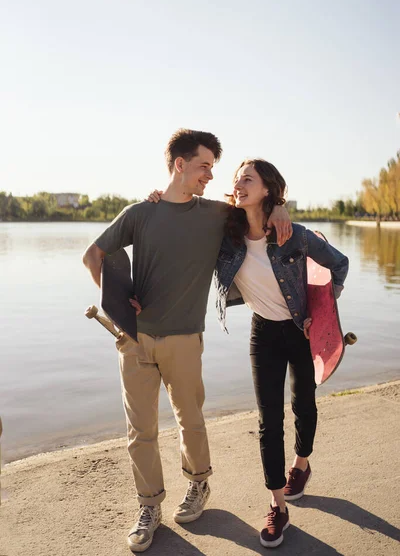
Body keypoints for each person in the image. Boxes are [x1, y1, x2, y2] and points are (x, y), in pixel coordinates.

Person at [82, 130, 292, 553]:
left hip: (184, 338)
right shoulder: (141, 213)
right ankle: (149, 506)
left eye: (214, 167)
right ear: (180, 164)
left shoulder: (216, 214)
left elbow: (256, 207)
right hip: (134, 339)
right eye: (204, 166)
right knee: (139, 431)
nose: (211, 175)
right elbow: (93, 255)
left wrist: (282, 205)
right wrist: (118, 297)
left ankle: (198, 485)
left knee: (189, 420)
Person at [213, 159, 349, 548]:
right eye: (236, 178)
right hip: (263, 334)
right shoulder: (226, 233)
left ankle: (301, 465)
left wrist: (321, 315)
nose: (238, 184)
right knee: (268, 421)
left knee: (303, 403)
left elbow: (338, 265)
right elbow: (188, 212)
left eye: (248, 179)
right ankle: (278, 506)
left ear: (268, 190)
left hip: (300, 331)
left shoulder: (296, 235)